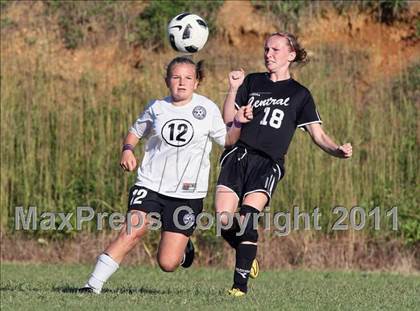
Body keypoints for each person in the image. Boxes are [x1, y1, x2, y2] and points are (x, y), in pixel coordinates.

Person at [79, 56, 253, 294]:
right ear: (167, 80)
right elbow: (134, 132)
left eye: (188, 78)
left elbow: (228, 141)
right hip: (150, 184)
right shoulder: (156, 107)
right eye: (176, 77)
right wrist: (127, 150)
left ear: (197, 82)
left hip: (187, 193)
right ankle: (92, 286)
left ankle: (183, 249)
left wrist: (239, 123)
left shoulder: (208, 109)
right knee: (133, 230)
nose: (181, 83)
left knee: (167, 263)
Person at [216, 32, 353, 297]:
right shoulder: (252, 82)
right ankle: (248, 254)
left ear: (291, 55)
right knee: (224, 220)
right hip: (237, 157)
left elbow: (318, 135)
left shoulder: (300, 94)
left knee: (247, 219)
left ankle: (239, 286)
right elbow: (227, 120)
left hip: (267, 164)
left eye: (276, 50)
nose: (269, 54)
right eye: (266, 49)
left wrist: (337, 150)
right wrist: (234, 90)